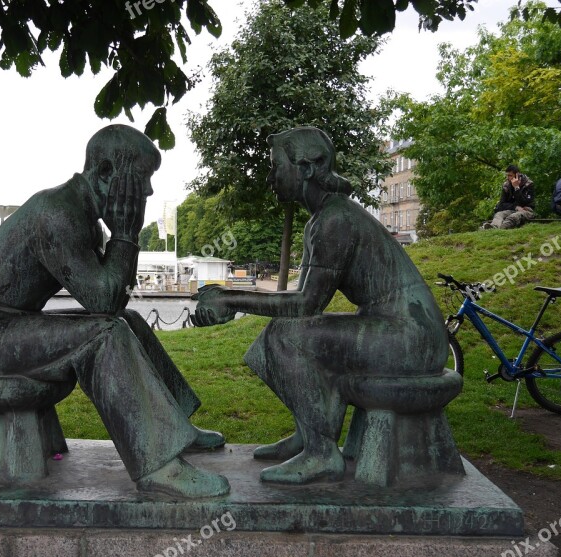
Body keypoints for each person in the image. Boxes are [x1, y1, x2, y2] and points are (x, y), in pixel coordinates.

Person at [0, 124, 228, 498]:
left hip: (10, 325)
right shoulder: (57, 214)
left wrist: (120, 235)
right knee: (105, 334)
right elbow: (103, 302)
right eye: (142, 178)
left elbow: (115, 301)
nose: (147, 191)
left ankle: (176, 425)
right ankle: (158, 465)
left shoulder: (85, 220)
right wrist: (126, 235)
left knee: (123, 321)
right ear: (108, 172)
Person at [191, 127, 448, 484]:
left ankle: (321, 452)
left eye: (276, 166)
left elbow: (306, 304)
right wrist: (230, 297)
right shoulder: (324, 217)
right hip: (401, 332)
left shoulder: (334, 221)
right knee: (273, 341)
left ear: (307, 169)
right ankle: (308, 434)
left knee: (286, 336)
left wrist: (230, 298)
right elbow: (301, 302)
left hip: (412, 340)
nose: (270, 176)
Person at [483, 165, 535, 229]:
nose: (508, 178)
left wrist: (516, 188)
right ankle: (494, 227)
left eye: (510, 175)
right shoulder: (506, 186)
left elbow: (525, 202)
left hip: (526, 210)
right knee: (499, 214)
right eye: (507, 175)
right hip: (512, 210)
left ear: (517, 175)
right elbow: (501, 204)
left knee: (514, 216)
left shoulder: (528, 184)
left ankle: (501, 229)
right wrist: (515, 207)